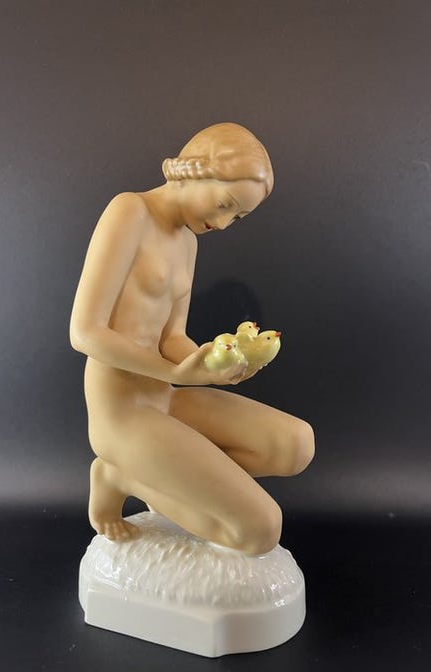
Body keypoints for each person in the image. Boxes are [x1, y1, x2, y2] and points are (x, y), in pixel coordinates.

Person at [69, 122, 314, 555]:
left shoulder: (187, 242)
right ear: (195, 172)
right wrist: (178, 372)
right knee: (259, 532)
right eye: (224, 205)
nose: (222, 224)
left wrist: (218, 364)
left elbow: (173, 337)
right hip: (121, 413)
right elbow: (85, 332)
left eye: (236, 217)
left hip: (165, 400)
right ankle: (119, 475)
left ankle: (181, 480)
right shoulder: (130, 211)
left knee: (295, 445)